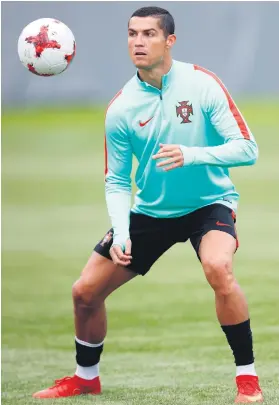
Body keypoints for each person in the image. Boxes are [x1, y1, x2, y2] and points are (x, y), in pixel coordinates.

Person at [33, 6, 263, 403]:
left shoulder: (202, 83)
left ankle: (248, 380)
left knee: (218, 267)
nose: (138, 42)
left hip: (209, 203)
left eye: (148, 34)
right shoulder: (121, 108)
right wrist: (121, 232)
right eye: (132, 34)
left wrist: (192, 155)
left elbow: (248, 149)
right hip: (152, 211)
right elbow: (118, 180)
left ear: (169, 40)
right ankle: (86, 378)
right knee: (84, 292)